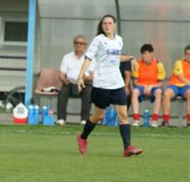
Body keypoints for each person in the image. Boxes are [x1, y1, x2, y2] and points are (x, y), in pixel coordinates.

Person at [76, 14, 143, 157]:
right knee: (99, 116)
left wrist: (130, 57)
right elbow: (88, 58)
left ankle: (127, 148)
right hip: (101, 83)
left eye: (110, 23)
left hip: (117, 83)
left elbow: (116, 57)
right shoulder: (98, 40)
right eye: (104, 23)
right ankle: (82, 138)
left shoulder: (119, 40)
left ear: (114, 25)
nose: (107, 25)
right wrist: (80, 76)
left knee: (123, 115)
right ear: (102, 26)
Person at [56, 35, 94, 125]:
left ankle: (84, 119)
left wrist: (85, 78)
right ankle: (61, 119)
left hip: (85, 83)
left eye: (81, 43)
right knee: (63, 91)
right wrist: (64, 80)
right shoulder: (67, 57)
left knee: (89, 92)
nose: (78, 45)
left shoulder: (90, 58)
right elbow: (61, 74)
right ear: (73, 44)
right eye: (76, 43)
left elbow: (94, 76)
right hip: (70, 83)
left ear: (85, 45)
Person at [130, 44, 165, 127]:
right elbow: (135, 82)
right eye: (142, 54)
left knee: (159, 92)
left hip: (154, 87)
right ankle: (136, 120)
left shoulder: (158, 64)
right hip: (141, 86)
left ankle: (154, 120)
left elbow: (161, 83)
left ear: (152, 53)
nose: (143, 56)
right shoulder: (137, 64)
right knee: (134, 91)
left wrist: (151, 87)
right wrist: (145, 87)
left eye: (145, 53)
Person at [161, 45, 190, 127]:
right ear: (185, 55)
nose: (189, 56)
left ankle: (189, 122)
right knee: (166, 94)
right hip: (175, 85)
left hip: (186, 87)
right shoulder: (179, 62)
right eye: (187, 54)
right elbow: (181, 76)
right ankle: (166, 121)